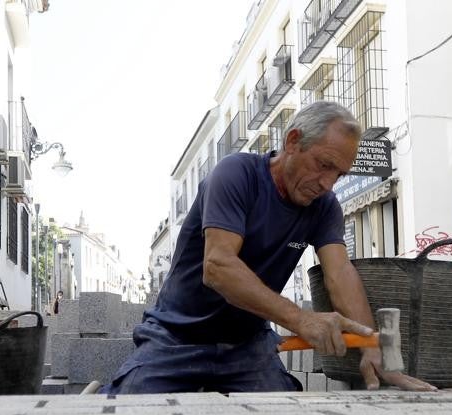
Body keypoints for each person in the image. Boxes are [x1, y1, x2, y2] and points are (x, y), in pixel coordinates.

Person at [104, 101, 434, 394]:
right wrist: (302, 320)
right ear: (293, 142)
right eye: (323, 165)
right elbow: (218, 268)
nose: (328, 183)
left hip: (246, 345)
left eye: (338, 173)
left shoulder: (323, 206)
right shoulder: (235, 175)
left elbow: (340, 273)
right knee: (127, 411)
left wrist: (372, 347)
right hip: (177, 336)